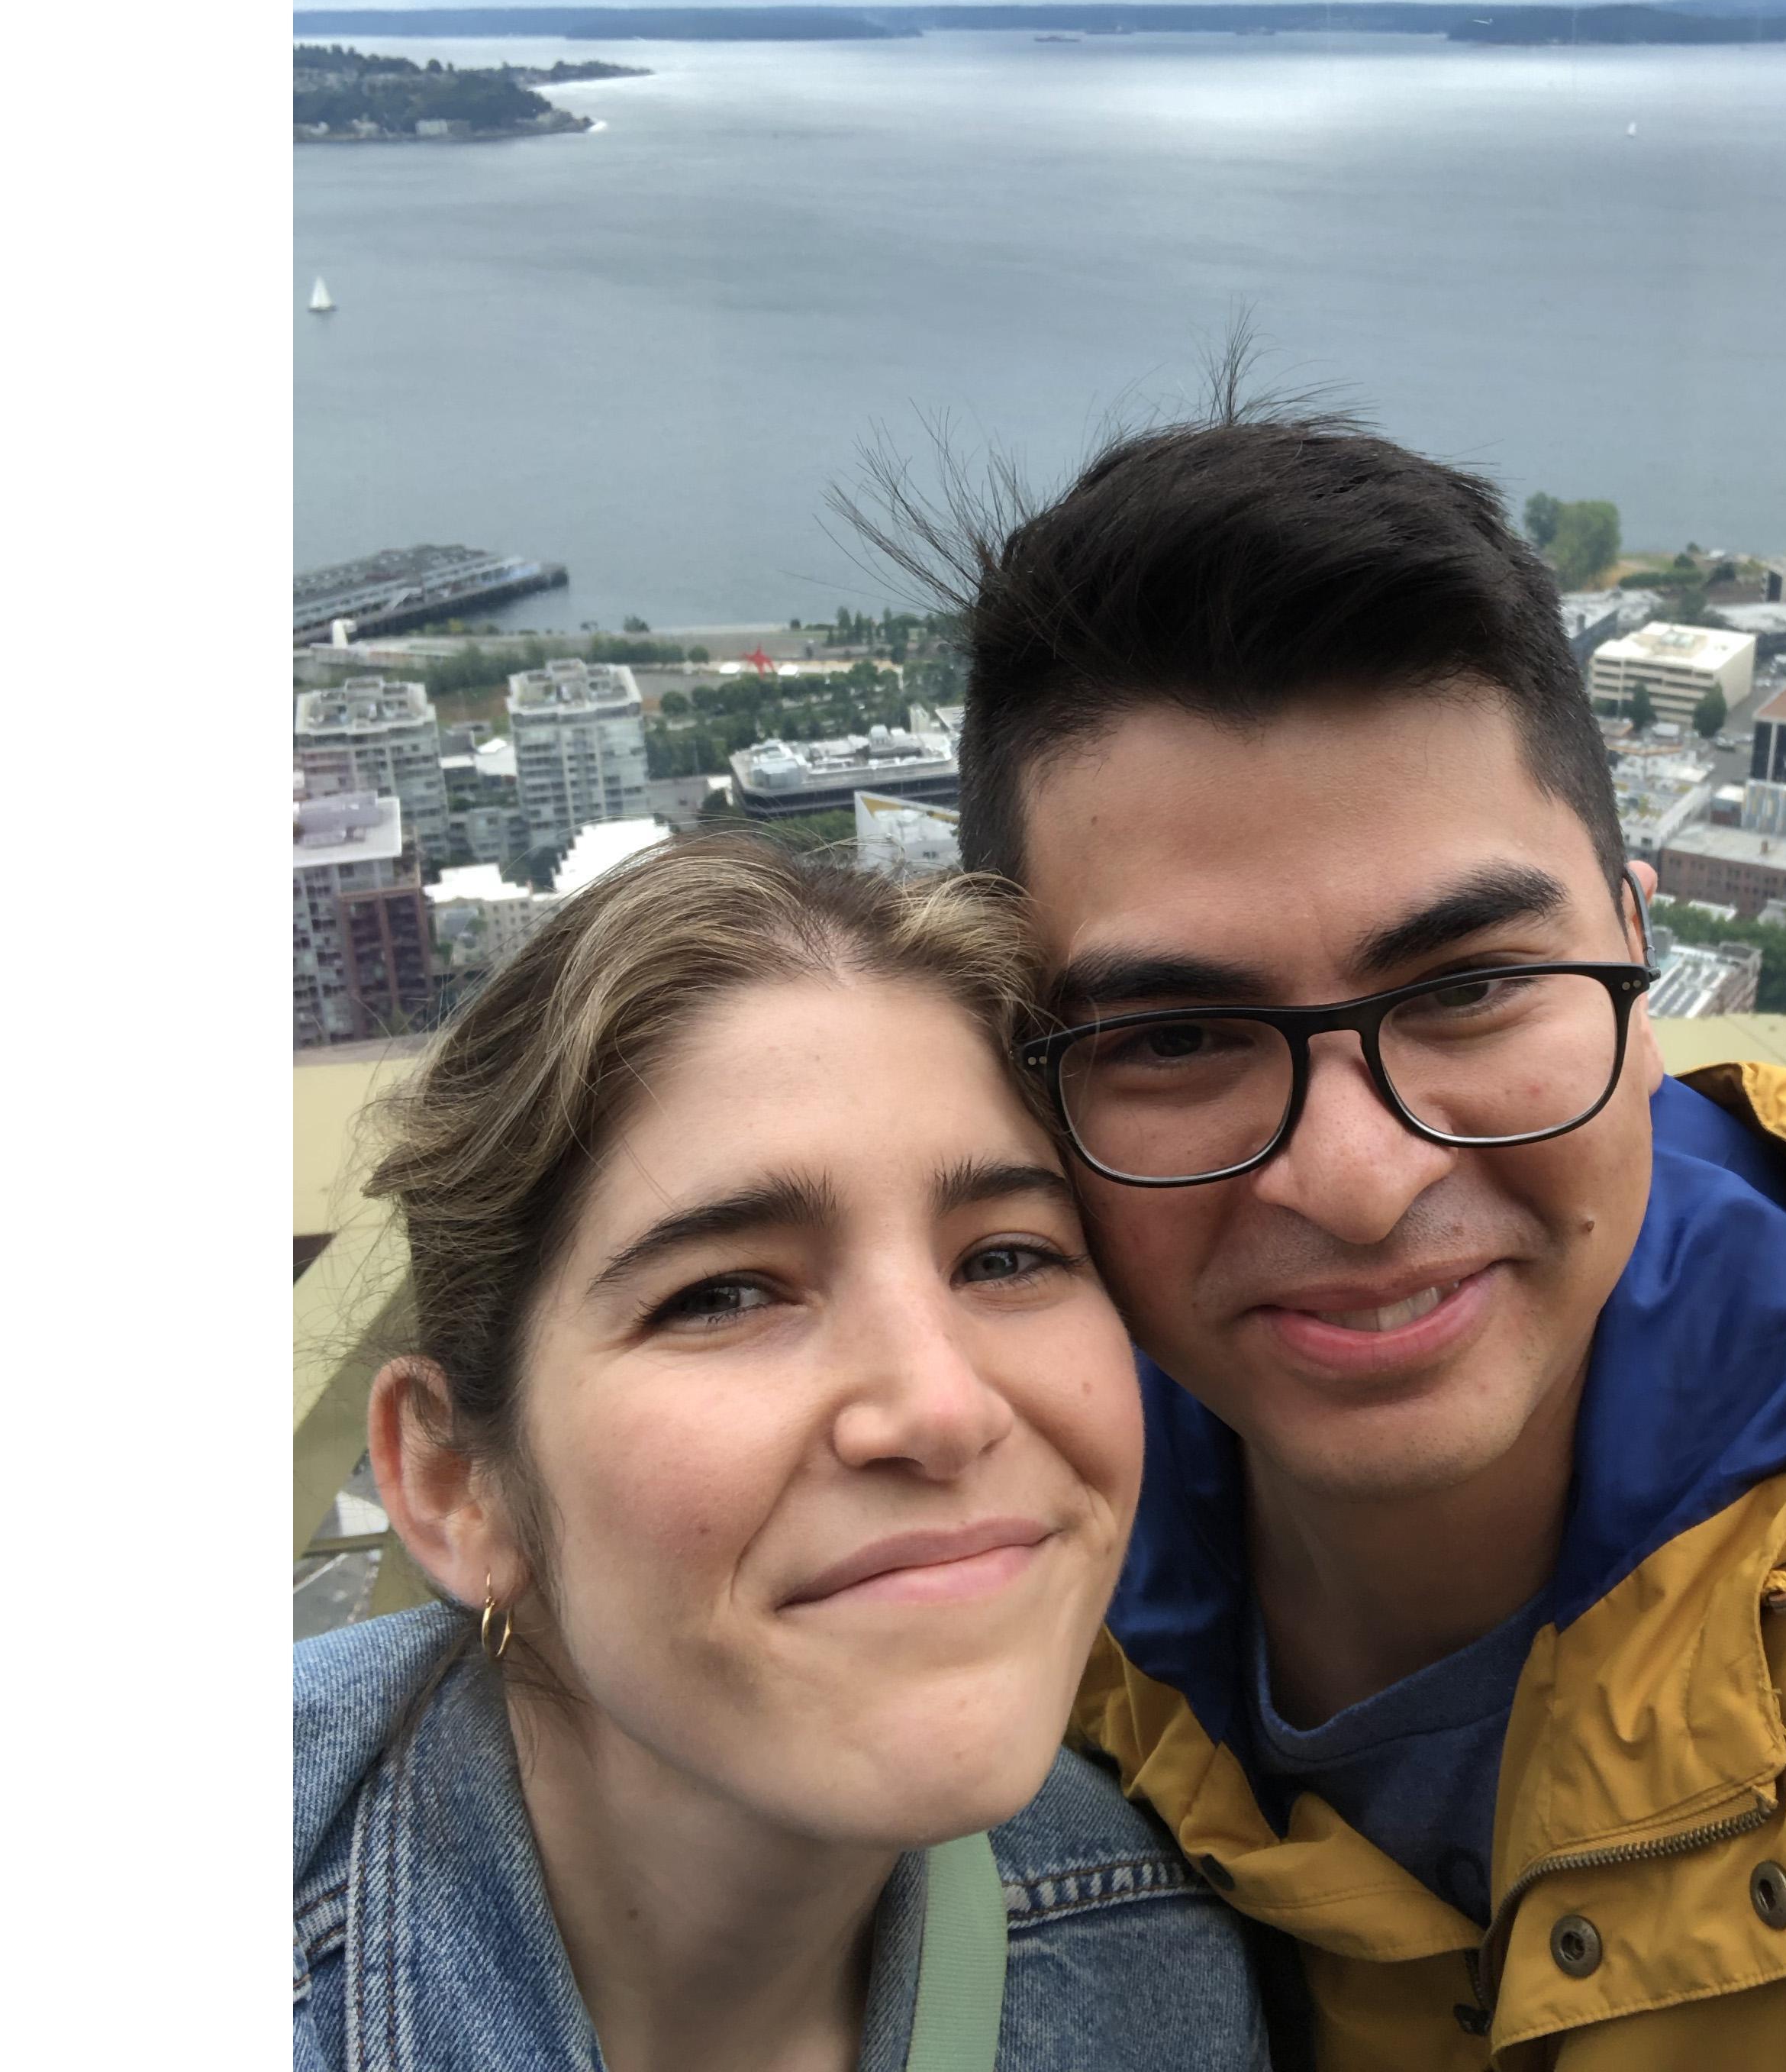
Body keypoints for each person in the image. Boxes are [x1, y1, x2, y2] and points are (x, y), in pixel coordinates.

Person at [870, 407, 1786, 2070]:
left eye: (1468, 987)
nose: (1355, 1179)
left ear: (1641, 964)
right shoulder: (996, 1563)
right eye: (1174, 1039)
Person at [293, 836, 1271, 2072]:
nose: (941, 1408)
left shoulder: (1153, 1973)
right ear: (452, 1484)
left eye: (1008, 1258)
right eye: (723, 1295)